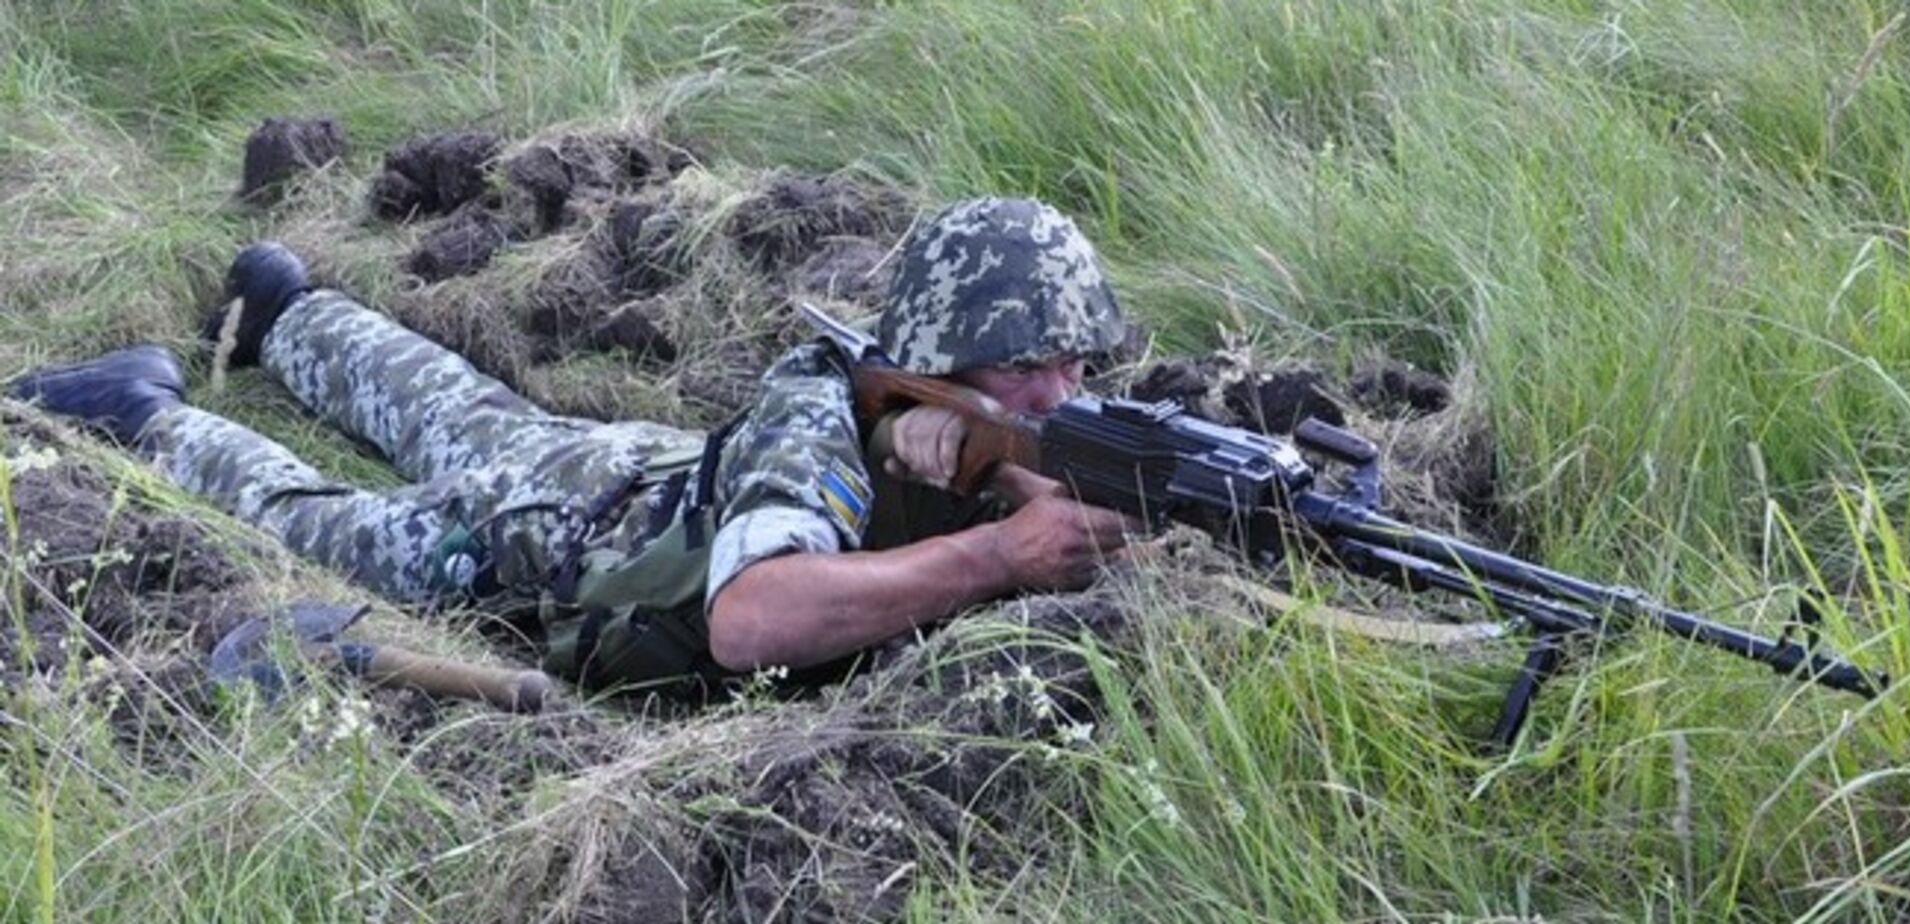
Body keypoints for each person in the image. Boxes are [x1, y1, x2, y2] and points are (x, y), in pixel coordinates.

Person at [9, 197, 1135, 691]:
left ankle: (285, 312)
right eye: (1024, 369)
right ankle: (144, 411)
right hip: (554, 542)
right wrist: (995, 555)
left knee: (468, 413)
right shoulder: (815, 420)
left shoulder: (943, 413)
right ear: (938, 356)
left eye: (1075, 365)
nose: (1058, 395)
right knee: (329, 524)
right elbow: (752, 621)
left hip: (626, 463)